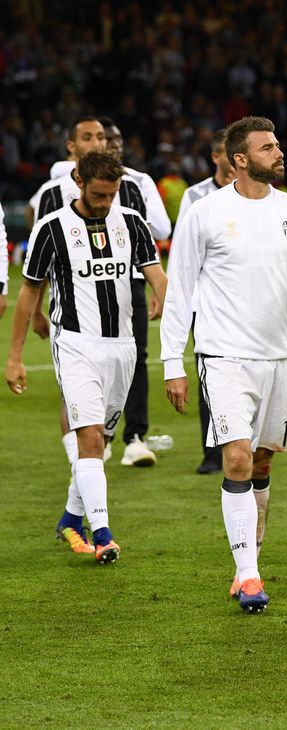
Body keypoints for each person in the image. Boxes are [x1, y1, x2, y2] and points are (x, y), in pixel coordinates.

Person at [160, 116, 287, 613]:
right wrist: (171, 362)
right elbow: (179, 290)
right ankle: (247, 574)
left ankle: (252, 547)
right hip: (222, 355)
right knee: (238, 456)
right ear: (239, 160)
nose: (279, 153)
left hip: (278, 357)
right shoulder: (204, 213)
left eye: (278, 145)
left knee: (262, 460)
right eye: (267, 148)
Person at [5, 151, 168, 564]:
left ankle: (70, 518)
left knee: (102, 441)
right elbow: (30, 291)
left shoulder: (131, 222)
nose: (104, 202)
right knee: (90, 438)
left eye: (111, 194)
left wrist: (165, 299)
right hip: (75, 343)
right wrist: (15, 357)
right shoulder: (51, 228)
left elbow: (157, 274)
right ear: (79, 180)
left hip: (124, 348)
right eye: (98, 194)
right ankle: (103, 533)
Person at [30, 117, 172, 468]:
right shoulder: (53, 192)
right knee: (77, 377)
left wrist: (159, 287)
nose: (99, 142)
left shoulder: (133, 185)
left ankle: (132, 437)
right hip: (74, 299)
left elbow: (151, 234)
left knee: (136, 358)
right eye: (89, 137)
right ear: (72, 147)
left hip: (128, 286)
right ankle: (83, 452)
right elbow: (42, 253)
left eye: (103, 137)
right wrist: (35, 307)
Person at [176, 129, 235, 475]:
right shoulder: (195, 196)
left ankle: (246, 444)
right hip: (207, 304)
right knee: (210, 376)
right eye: (231, 152)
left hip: (246, 302)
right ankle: (212, 452)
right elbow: (186, 251)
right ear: (216, 157)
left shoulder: (257, 194)